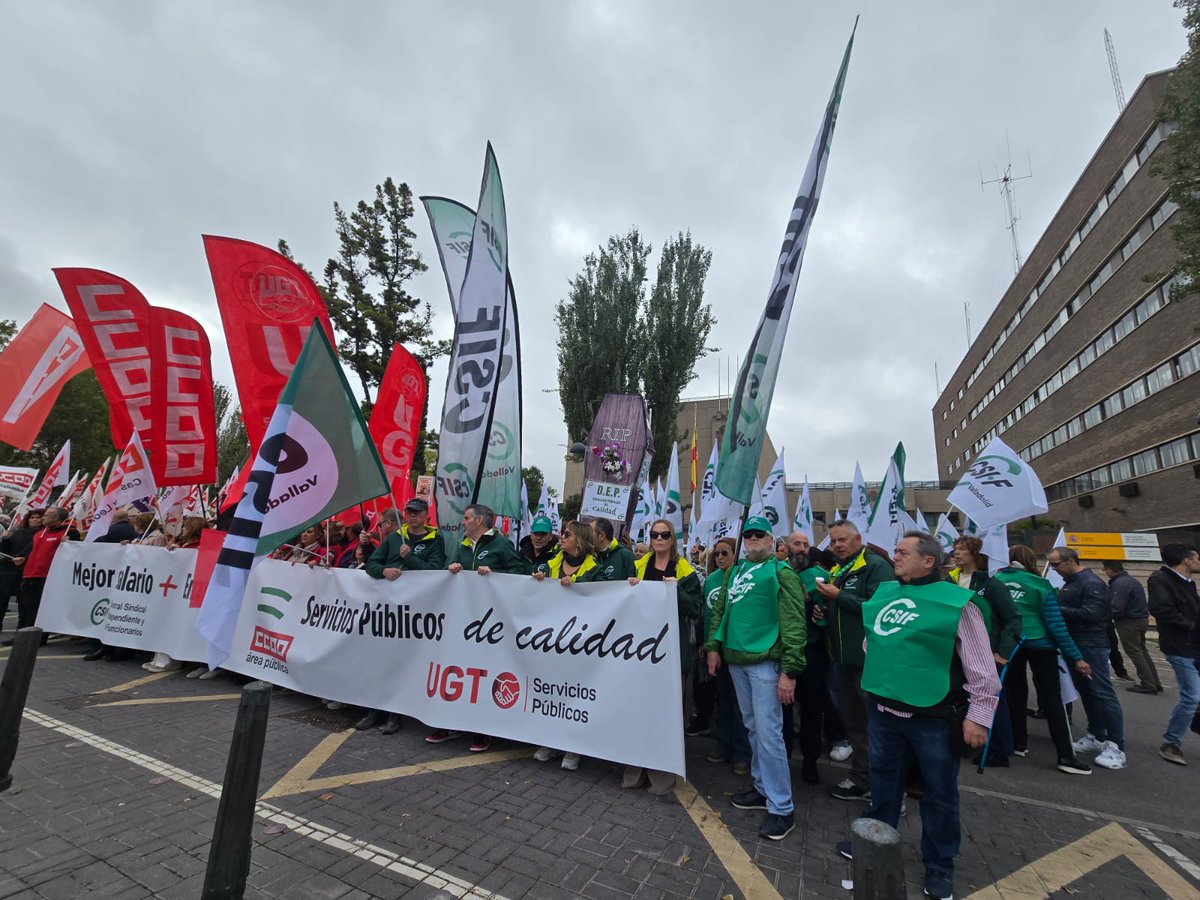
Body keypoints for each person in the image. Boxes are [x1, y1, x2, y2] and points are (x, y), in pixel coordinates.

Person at [837, 532, 1000, 900]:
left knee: (939, 794)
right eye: (895, 551)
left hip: (934, 717)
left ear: (928, 561)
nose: (894, 557)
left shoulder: (958, 604)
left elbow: (982, 669)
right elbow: (872, 642)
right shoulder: (884, 595)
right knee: (884, 781)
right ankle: (875, 841)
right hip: (883, 709)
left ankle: (939, 866)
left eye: (902, 552)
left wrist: (979, 716)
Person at [705, 516, 806, 841]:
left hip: (765, 662)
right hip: (736, 659)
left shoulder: (781, 571)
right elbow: (721, 610)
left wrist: (790, 670)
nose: (751, 539)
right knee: (753, 728)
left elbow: (793, 621)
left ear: (770, 539)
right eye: (747, 534)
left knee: (769, 734)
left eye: (757, 534)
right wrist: (714, 647)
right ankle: (763, 788)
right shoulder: (734, 571)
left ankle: (782, 807)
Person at [428, 504, 528, 751]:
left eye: (466, 518)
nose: (462, 522)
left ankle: (481, 729)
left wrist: (496, 573)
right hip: (463, 618)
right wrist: (451, 569)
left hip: (489, 622)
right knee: (457, 671)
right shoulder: (462, 544)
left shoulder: (500, 544)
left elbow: (519, 571)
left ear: (480, 520)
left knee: (482, 673)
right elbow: (447, 569)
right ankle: (448, 723)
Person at [815, 519, 897, 801]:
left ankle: (886, 790)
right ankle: (861, 778)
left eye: (841, 540)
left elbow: (880, 609)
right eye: (833, 541)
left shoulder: (875, 566)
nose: (836, 545)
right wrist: (825, 612)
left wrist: (839, 596)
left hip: (869, 662)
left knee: (877, 727)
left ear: (857, 538)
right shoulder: (840, 569)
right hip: (843, 661)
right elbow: (841, 609)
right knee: (855, 726)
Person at [624, 518, 704, 796]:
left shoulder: (685, 571)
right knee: (636, 713)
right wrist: (629, 587)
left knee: (666, 715)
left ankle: (661, 777)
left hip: (670, 652)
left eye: (664, 534)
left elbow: (695, 608)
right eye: (655, 534)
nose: (659, 538)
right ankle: (634, 772)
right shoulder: (637, 566)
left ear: (672, 539)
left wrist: (677, 589)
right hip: (638, 650)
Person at [997, 545, 1093, 774]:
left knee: (1014, 694)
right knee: (1052, 699)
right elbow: (1056, 625)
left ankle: (1018, 743)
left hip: (1010, 645)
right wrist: (1077, 657)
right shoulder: (1040, 584)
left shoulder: (996, 581)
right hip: (1041, 644)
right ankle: (1065, 755)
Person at [359, 500, 445, 734]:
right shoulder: (395, 537)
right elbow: (372, 564)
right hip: (387, 609)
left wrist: (409, 559)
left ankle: (394, 715)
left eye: (417, 512)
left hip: (414, 612)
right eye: (408, 512)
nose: (412, 516)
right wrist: (383, 571)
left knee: (400, 663)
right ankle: (373, 711)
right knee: (379, 660)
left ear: (426, 515)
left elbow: (434, 569)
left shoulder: (435, 540)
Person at [1047, 546, 1127, 770]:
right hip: (1076, 643)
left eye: (1056, 564)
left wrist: (1056, 609)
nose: (1054, 569)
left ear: (1071, 561)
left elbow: (1094, 614)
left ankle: (1116, 745)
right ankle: (1096, 734)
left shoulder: (1090, 583)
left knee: (1102, 692)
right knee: (1087, 691)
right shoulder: (1072, 581)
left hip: (1091, 644)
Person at [531, 521, 600, 771]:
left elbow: (603, 597)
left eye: (567, 534)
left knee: (574, 693)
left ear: (579, 540)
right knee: (551, 691)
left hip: (580, 640)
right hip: (550, 639)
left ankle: (574, 746)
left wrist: (578, 585)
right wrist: (538, 580)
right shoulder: (549, 563)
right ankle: (549, 740)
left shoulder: (596, 569)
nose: (561, 537)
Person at [947, 536, 1022, 767]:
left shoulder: (991, 584)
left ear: (976, 555)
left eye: (963, 550)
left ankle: (999, 749)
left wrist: (1003, 652)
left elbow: (1013, 619)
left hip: (988, 652)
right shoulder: (950, 581)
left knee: (992, 700)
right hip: (958, 653)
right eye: (956, 549)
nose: (957, 553)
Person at [787, 530, 847, 785]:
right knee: (783, 712)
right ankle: (783, 759)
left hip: (812, 653)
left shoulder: (819, 576)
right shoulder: (779, 572)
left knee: (812, 710)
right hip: (783, 651)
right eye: (797, 544)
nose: (801, 549)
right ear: (786, 547)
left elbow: (830, 611)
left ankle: (810, 761)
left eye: (805, 545)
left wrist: (818, 611)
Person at [698, 537, 751, 775]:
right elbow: (707, 615)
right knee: (724, 701)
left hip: (736, 649)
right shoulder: (710, 580)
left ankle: (742, 753)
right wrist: (707, 644)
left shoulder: (742, 579)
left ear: (735, 555)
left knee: (741, 704)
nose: (720, 557)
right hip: (715, 650)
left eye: (725, 553)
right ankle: (723, 745)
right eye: (717, 553)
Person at [1147, 543, 1200, 766]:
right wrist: (1192, 627)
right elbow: (1161, 610)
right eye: (1197, 557)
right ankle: (1170, 743)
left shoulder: (1188, 583)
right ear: (1186, 560)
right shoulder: (1161, 579)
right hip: (1180, 647)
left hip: (1195, 646)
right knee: (1192, 697)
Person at [8, 507, 78, 646]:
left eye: (46, 515)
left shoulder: (69, 532)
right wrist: (24, 558)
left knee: (41, 609)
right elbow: (32, 551)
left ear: (56, 518)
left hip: (47, 577)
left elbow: (75, 551)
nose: (42, 518)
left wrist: (69, 542)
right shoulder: (40, 533)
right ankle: (24, 635)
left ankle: (39, 638)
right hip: (29, 575)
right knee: (27, 609)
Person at [1103, 560, 1160, 694]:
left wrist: (1106, 616)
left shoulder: (1120, 584)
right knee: (1141, 650)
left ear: (1110, 569)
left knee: (1134, 651)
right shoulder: (1130, 581)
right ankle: (1154, 682)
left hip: (1128, 621)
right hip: (1140, 619)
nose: (1104, 572)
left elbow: (1117, 607)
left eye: (1104, 569)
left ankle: (1148, 683)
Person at [0, 509, 42, 633]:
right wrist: (4, 538)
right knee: (1, 601)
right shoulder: (15, 532)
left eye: (38, 517)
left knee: (24, 605)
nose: (35, 520)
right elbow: (3, 552)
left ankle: (21, 630)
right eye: (32, 517)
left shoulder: (41, 534)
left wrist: (25, 559)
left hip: (26, 572)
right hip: (8, 572)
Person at [584, 518, 637, 583]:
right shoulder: (589, 558)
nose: (586, 536)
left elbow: (636, 585)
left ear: (601, 535)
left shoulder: (626, 556)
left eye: (589, 532)